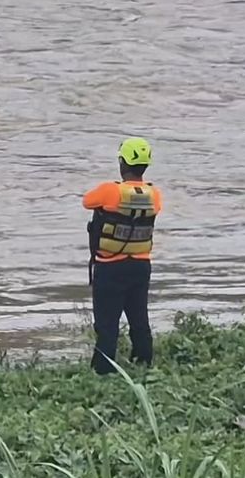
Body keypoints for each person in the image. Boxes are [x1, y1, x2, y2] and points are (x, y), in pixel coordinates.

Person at [83, 137, 163, 375]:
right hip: (140, 267)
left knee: (107, 325)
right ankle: (144, 363)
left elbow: (87, 201)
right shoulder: (155, 195)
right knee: (139, 319)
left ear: (122, 162)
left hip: (110, 268)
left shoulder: (109, 191)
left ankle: (104, 371)